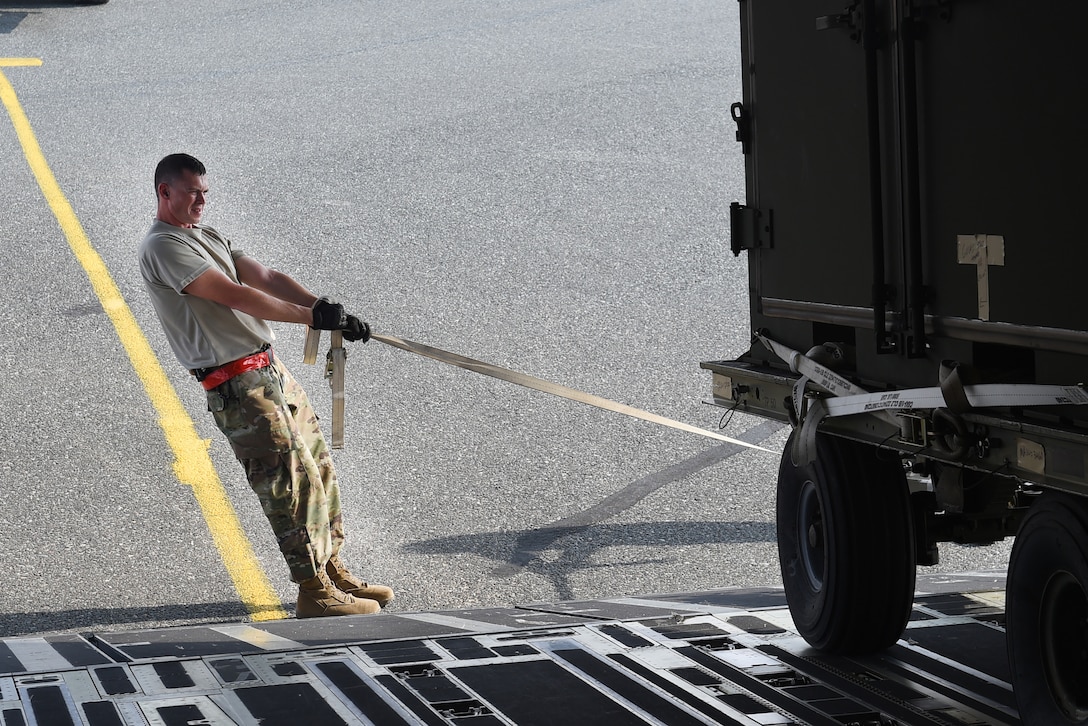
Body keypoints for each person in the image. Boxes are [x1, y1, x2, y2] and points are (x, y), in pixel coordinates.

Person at [138, 153, 393, 618]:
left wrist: (326, 308)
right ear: (165, 191)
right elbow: (234, 294)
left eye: (204, 193)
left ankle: (332, 569)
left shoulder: (206, 235)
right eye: (192, 192)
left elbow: (267, 278)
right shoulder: (162, 246)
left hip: (268, 371)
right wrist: (310, 318)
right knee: (285, 485)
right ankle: (314, 592)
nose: (200, 201)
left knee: (316, 472)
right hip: (238, 383)